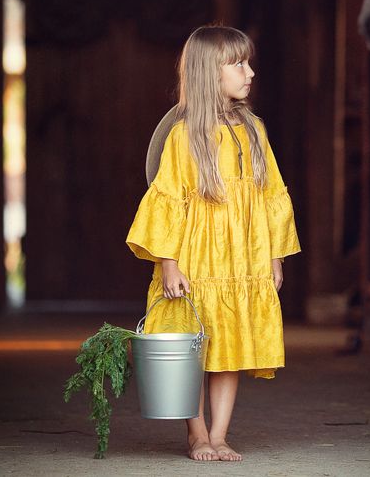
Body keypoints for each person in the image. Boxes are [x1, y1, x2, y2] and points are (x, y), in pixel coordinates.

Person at [126, 25, 300, 462]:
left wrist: (275, 256)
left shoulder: (254, 130)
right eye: (238, 64)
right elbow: (167, 201)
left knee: (230, 345)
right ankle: (197, 435)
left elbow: (272, 196)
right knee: (194, 345)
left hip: (243, 258)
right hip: (196, 258)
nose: (251, 72)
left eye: (249, 62)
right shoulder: (184, 137)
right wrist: (168, 262)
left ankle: (220, 435)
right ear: (209, 72)